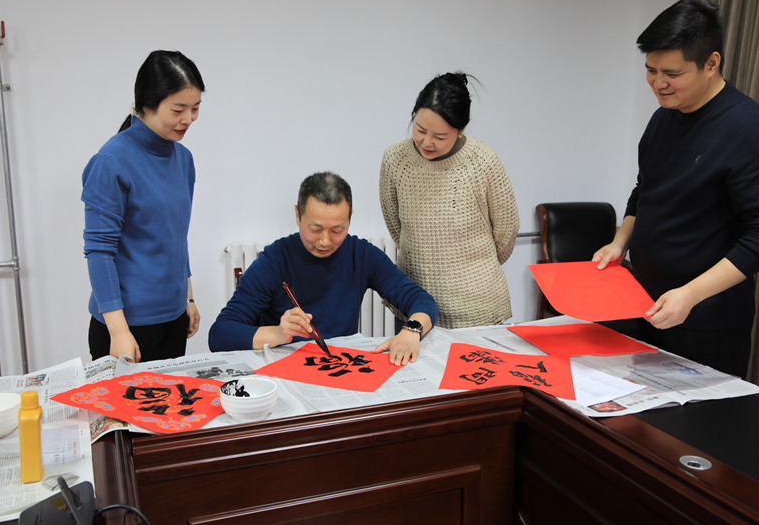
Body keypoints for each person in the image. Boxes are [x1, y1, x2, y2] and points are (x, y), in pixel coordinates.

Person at [593, 0, 759, 377]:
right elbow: (645, 189)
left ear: (711, 63)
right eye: (651, 71)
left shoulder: (750, 131)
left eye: (672, 73)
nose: (658, 84)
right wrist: (620, 242)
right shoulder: (664, 117)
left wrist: (691, 295)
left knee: (700, 416)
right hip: (648, 304)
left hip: (706, 319)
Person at [209, 172, 438, 365]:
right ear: (297, 215)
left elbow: (420, 299)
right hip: (286, 368)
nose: (325, 241)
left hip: (340, 364)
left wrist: (411, 331)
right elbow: (220, 334)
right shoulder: (275, 260)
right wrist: (277, 333)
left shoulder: (362, 255)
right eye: (315, 229)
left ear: (350, 218)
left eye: (337, 230)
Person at [82, 50, 205, 363]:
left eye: (195, 108)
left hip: (173, 318)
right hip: (127, 325)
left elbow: (175, 236)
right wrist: (119, 331)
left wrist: (188, 297)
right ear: (147, 105)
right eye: (178, 109)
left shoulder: (183, 159)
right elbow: (99, 251)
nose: (188, 119)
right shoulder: (111, 162)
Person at [379, 72, 519, 329]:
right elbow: (395, 223)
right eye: (420, 129)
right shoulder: (395, 160)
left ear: (461, 129)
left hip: (477, 309)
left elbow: (506, 232)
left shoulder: (482, 162)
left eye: (440, 136)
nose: (427, 142)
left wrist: (472, 269)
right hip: (415, 305)